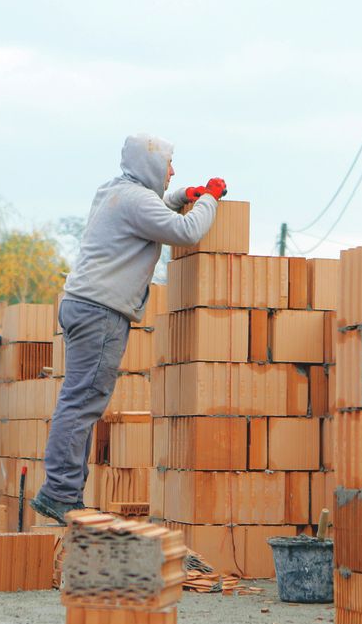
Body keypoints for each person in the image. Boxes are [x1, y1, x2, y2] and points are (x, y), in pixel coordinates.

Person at [30, 133, 225, 524]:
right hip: (100, 312)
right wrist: (209, 199)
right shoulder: (136, 201)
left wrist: (183, 193)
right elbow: (185, 232)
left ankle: (66, 492)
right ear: (152, 166)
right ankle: (59, 492)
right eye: (170, 164)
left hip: (81, 304)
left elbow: (155, 210)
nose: (172, 170)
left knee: (80, 401)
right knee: (81, 402)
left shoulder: (116, 191)